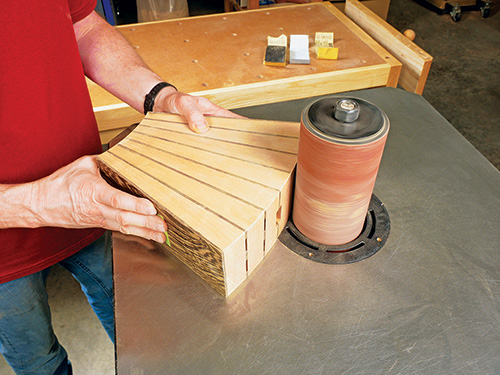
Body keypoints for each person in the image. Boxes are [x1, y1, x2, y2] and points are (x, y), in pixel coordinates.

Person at [0, 1, 239, 374]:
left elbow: (83, 27)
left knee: (146, 339)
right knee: (40, 365)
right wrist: (36, 202)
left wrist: (160, 97)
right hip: (4, 253)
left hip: (93, 195)